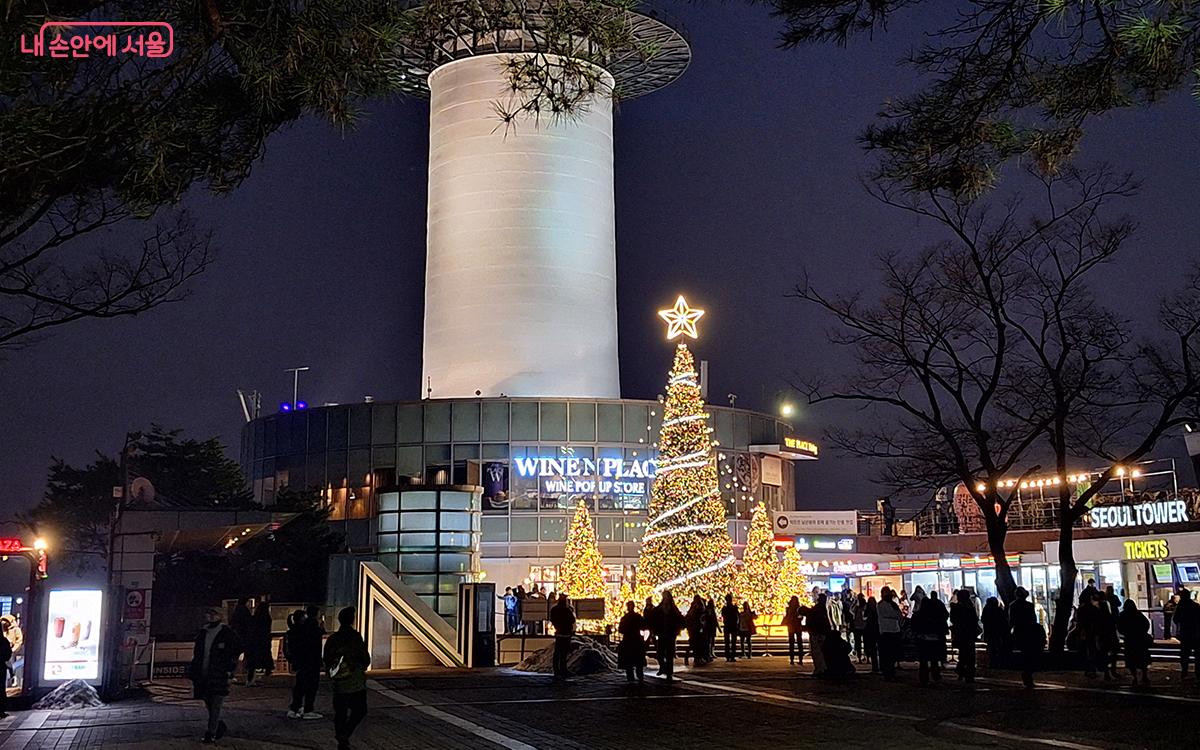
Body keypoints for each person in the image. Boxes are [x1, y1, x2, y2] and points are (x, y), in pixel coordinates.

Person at [190, 606, 242, 744]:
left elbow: (235, 650)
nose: (211, 616)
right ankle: (217, 725)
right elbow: (197, 653)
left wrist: (230, 669)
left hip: (219, 674)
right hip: (203, 674)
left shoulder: (227, 633)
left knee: (216, 704)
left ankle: (211, 732)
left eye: (214, 614)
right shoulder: (203, 632)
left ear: (221, 616)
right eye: (209, 613)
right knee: (208, 701)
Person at [324, 607, 370, 750]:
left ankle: (341, 738)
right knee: (360, 710)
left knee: (340, 712)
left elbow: (326, 659)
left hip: (339, 682)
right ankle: (345, 734)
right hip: (355, 681)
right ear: (352, 620)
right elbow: (365, 658)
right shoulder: (355, 637)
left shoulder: (333, 639)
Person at [287, 606, 325, 719]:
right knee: (312, 686)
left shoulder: (301, 626)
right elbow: (316, 642)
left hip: (302, 661)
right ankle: (308, 709)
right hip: (312, 660)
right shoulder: (313, 625)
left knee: (300, 685)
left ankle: (295, 708)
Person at [912, 590, 948, 686]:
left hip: (923, 640)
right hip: (934, 640)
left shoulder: (919, 615)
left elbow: (914, 626)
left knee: (923, 661)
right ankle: (935, 676)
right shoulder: (935, 613)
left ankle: (924, 679)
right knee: (934, 660)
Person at [1009, 586, 1043, 688]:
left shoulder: (1013, 605)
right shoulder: (1029, 605)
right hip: (1029, 632)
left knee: (1025, 654)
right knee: (1030, 654)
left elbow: (1011, 620)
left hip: (1020, 631)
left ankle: (1026, 673)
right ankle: (1028, 674)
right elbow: (1033, 619)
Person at [652, 591, 685, 681]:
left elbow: (679, 619)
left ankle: (669, 672)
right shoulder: (660, 609)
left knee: (669, 654)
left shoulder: (673, 609)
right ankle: (663, 667)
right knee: (660, 654)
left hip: (670, 634)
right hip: (662, 633)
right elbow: (654, 617)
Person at [1117, 599, 1152, 685]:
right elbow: (1146, 624)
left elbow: (1119, 627)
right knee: (1142, 659)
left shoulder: (1123, 615)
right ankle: (1144, 676)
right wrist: (1141, 632)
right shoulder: (1137, 614)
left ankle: (1135, 677)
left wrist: (1125, 633)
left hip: (1130, 640)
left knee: (1132, 660)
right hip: (1139, 640)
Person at [950, 589, 979, 682]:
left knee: (963, 654)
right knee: (970, 654)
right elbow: (975, 619)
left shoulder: (956, 607)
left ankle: (962, 671)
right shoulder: (970, 607)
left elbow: (953, 619)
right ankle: (969, 673)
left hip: (961, 633)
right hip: (969, 634)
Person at [617, 601, 647, 683]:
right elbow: (644, 626)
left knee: (629, 662)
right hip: (637, 639)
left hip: (628, 640)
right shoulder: (638, 617)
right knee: (638, 660)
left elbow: (621, 630)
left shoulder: (625, 618)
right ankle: (640, 676)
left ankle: (631, 678)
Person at [549, 594, 576, 681]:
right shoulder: (567, 610)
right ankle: (563, 669)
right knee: (564, 653)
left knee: (557, 652)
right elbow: (573, 620)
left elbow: (552, 619)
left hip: (559, 632)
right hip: (566, 632)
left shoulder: (554, 609)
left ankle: (557, 670)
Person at [876, 587, 902, 679]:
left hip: (894, 631)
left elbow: (899, 615)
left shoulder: (893, 604)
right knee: (886, 654)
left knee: (892, 653)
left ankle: (891, 670)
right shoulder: (881, 605)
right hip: (886, 632)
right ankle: (887, 672)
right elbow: (892, 615)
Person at [1175, 589, 1199, 678]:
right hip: (1195, 633)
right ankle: (1197, 672)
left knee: (1185, 654)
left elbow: (1176, 619)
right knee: (1197, 655)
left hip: (1185, 633)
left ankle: (1184, 672)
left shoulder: (1180, 607)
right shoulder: (1195, 606)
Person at [231, 597, 254, 684]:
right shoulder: (245, 611)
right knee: (249, 657)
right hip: (245, 637)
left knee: (234, 657)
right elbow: (249, 623)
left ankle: (231, 674)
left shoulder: (236, 611)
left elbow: (233, 623)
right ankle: (249, 678)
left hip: (237, 636)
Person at [808, 593, 832, 676]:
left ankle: (821, 668)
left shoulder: (818, 608)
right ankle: (821, 668)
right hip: (819, 632)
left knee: (818, 652)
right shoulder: (820, 609)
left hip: (818, 632)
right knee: (819, 651)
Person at [981, 597, 1008, 668]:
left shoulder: (986, 610)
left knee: (991, 647)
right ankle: (998, 662)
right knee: (997, 647)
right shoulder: (999, 610)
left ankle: (992, 662)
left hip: (990, 631)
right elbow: (1003, 621)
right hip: (998, 632)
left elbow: (983, 619)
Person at [783, 596, 805, 666]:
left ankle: (792, 659)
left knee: (792, 644)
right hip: (797, 627)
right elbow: (801, 617)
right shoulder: (799, 608)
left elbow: (787, 616)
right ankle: (800, 659)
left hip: (791, 627)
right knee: (799, 643)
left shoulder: (789, 608)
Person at [685, 595, 705, 666]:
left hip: (694, 628)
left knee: (694, 644)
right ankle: (697, 659)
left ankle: (696, 658)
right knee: (696, 644)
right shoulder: (698, 607)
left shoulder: (694, 607)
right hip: (696, 628)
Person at [721, 594, 740, 662]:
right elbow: (737, 617)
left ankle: (728, 656)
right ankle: (732, 656)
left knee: (727, 642)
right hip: (733, 626)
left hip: (727, 625)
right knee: (733, 642)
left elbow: (723, 616)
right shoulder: (734, 608)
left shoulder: (724, 608)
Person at [863, 596, 880, 673]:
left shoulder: (868, 610)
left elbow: (864, 618)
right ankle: (880, 666)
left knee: (872, 650)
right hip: (877, 630)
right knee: (879, 649)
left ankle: (875, 667)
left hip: (870, 631)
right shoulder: (877, 610)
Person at [850, 594, 868, 663]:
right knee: (866, 643)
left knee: (858, 643)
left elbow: (850, 610)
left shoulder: (857, 608)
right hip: (864, 627)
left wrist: (854, 602)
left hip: (857, 627)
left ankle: (859, 658)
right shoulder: (865, 607)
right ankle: (866, 657)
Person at [703, 599, 720, 664]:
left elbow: (715, 618)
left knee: (712, 640)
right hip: (710, 627)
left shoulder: (711, 610)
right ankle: (710, 652)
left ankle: (711, 652)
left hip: (712, 627)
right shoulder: (709, 610)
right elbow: (713, 618)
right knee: (710, 640)